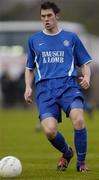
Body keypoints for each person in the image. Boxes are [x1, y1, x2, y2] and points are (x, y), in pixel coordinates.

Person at [24, 1, 92, 172]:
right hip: (45, 89)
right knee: (49, 131)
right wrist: (28, 87)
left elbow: (85, 63)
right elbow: (29, 68)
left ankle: (81, 163)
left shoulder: (71, 38)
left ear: (57, 16)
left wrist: (87, 77)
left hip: (68, 85)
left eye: (49, 16)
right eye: (43, 16)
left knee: (78, 118)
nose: (46, 19)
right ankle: (67, 153)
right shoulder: (34, 40)